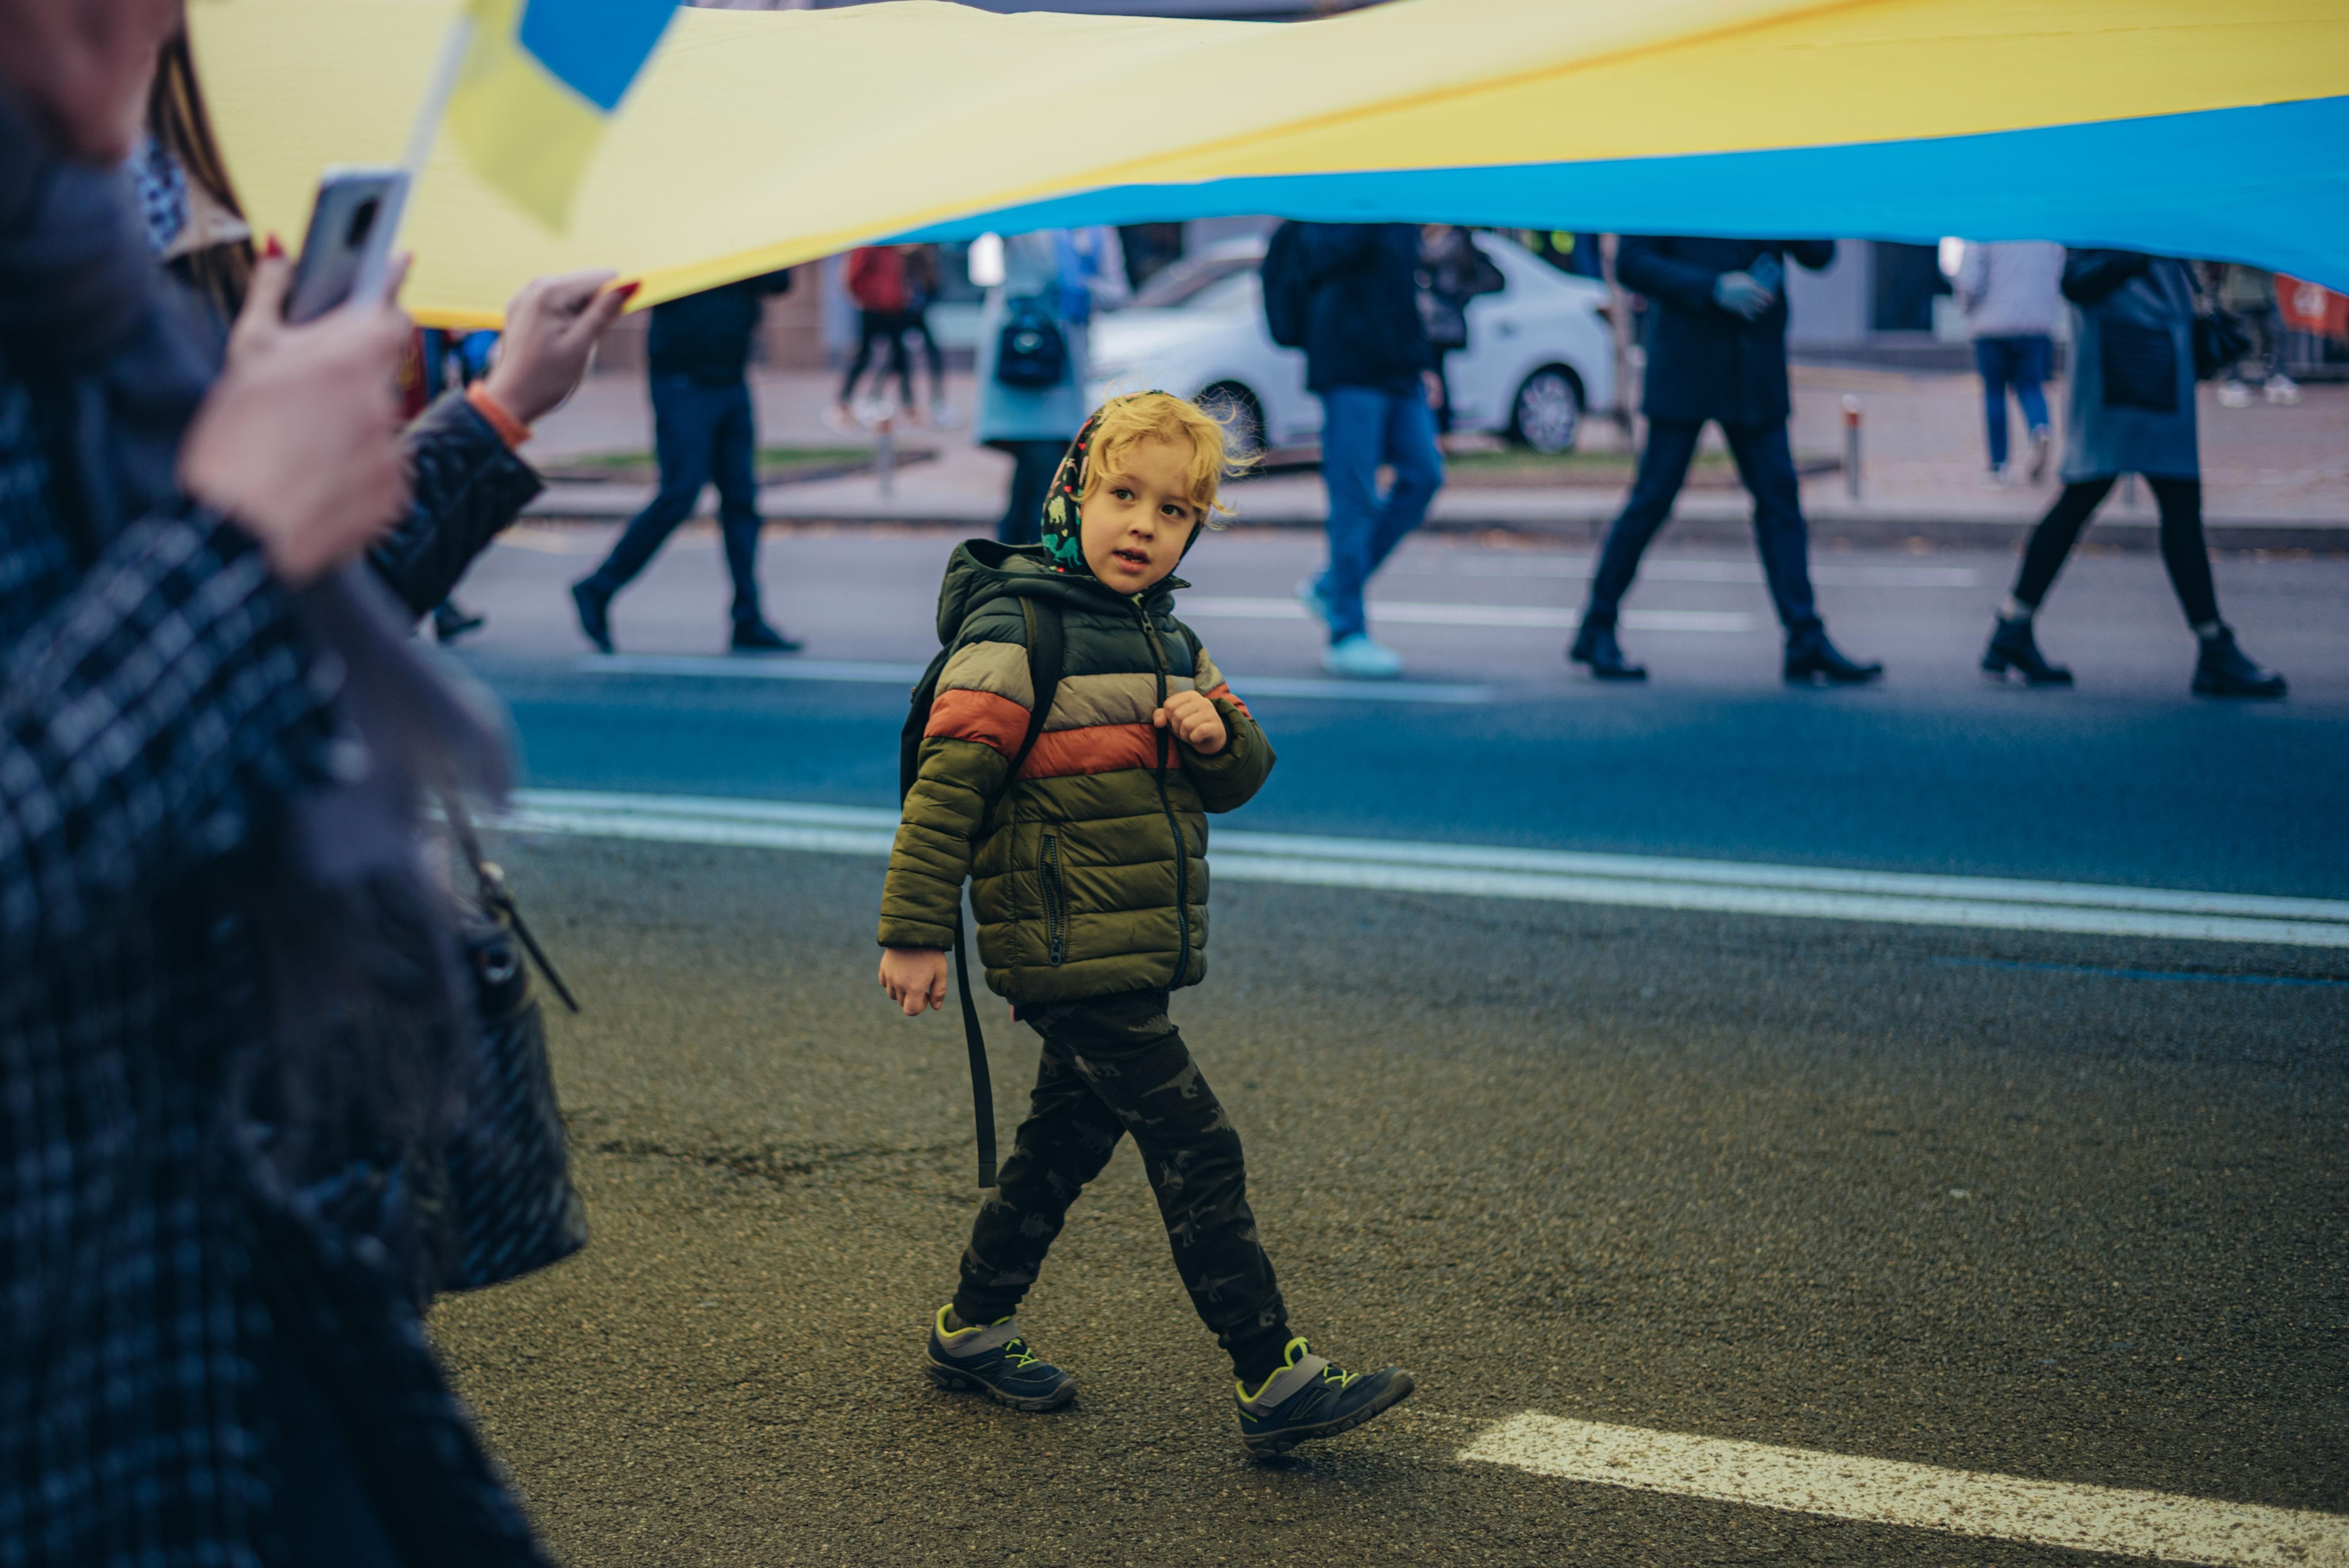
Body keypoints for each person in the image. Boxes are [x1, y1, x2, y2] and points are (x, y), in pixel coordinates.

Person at [0, 5, 629, 1562]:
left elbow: (248, 635)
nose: (156, 23)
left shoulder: (80, 313)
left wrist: (492, 412)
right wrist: (233, 540)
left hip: (225, 1277)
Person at [877, 392, 1413, 1457]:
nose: (1143, 526)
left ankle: (970, 1325)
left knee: (1061, 1145)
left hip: (1126, 945)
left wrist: (1216, 732)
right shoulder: (1017, 627)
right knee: (1197, 1144)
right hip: (1065, 946)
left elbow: (1243, 775)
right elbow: (946, 790)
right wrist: (914, 931)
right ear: (1071, 496)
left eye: (1173, 511)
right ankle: (1272, 1374)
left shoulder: (1169, 637)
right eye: (1122, 496)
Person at [1569, 236, 1882, 685]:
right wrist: (1712, 287)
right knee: (1653, 497)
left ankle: (1804, 636)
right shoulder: (1669, 189)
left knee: (1780, 502)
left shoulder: (1770, 192)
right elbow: (1632, 263)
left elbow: (1820, 253)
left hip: (1753, 365)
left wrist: (1787, 210)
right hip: (1687, 362)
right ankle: (1597, 624)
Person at [1982, 250, 2286, 697]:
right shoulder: (2119, 222)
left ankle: (2013, 627)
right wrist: (2143, 249)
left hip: (2151, 362)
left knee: (2114, 498)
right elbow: (2076, 281)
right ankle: (2213, 646)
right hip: (2123, 365)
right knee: (2148, 498)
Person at [571, 269, 798, 655]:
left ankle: (748, 617)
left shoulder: (746, 243)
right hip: (682, 379)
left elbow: (780, 282)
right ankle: (599, 587)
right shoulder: (683, 242)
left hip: (730, 378)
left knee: (741, 502)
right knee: (679, 493)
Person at [1288, 221, 1445, 679]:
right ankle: (1346, 633)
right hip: (1348, 364)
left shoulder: (1398, 207)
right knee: (1354, 499)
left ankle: (1332, 585)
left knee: (1424, 476)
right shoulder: (1334, 200)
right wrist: (1367, 210)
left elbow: (1401, 286)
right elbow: (1319, 255)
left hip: (1399, 368)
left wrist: (1424, 363)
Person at [974, 226, 1127, 546]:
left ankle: (1016, 550)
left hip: (1063, 367)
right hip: (1024, 357)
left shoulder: (1099, 232)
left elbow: (1117, 292)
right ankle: (1030, 549)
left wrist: (1077, 287)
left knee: (1038, 464)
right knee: (1040, 458)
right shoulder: (1026, 224)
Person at [1954, 239, 2063, 485]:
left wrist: (1966, 307)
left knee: (1994, 393)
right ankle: (2040, 427)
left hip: (1992, 325)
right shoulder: (2046, 229)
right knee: (2031, 386)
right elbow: (2059, 271)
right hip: (2036, 323)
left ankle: (1999, 465)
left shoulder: (1986, 226)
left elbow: (1969, 279)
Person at [1417, 223, 1505, 436]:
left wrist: (1458, 294)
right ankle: (1434, 429)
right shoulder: (1417, 240)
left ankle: (1440, 430)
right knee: (1430, 377)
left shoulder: (1459, 243)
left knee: (1437, 378)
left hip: (1443, 325)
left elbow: (1490, 278)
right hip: (1422, 323)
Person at [834, 242, 913, 423]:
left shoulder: (893, 249)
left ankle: (908, 405)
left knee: (901, 358)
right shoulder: (868, 248)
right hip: (873, 309)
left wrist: (901, 297)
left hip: (894, 309)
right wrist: (871, 297)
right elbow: (854, 277)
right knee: (863, 357)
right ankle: (844, 401)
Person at [2209, 263, 2301, 408]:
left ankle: (2277, 376)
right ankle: (2231, 380)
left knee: (2276, 333)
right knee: (2236, 337)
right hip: (2238, 291)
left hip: (2267, 292)